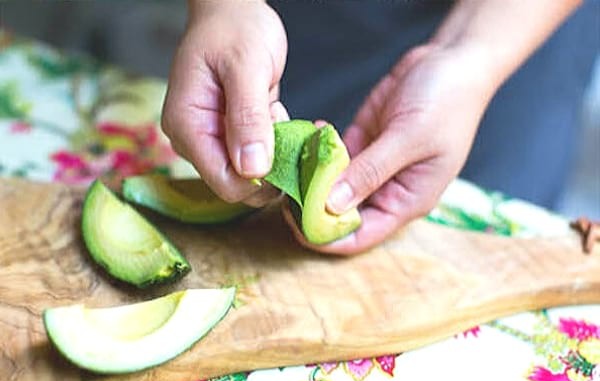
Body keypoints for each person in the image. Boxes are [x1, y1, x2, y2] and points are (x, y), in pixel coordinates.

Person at [161, 0, 598, 254]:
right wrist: (222, 7)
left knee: (487, 247)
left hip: (515, 27)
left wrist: (469, 54)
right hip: (309, 21)